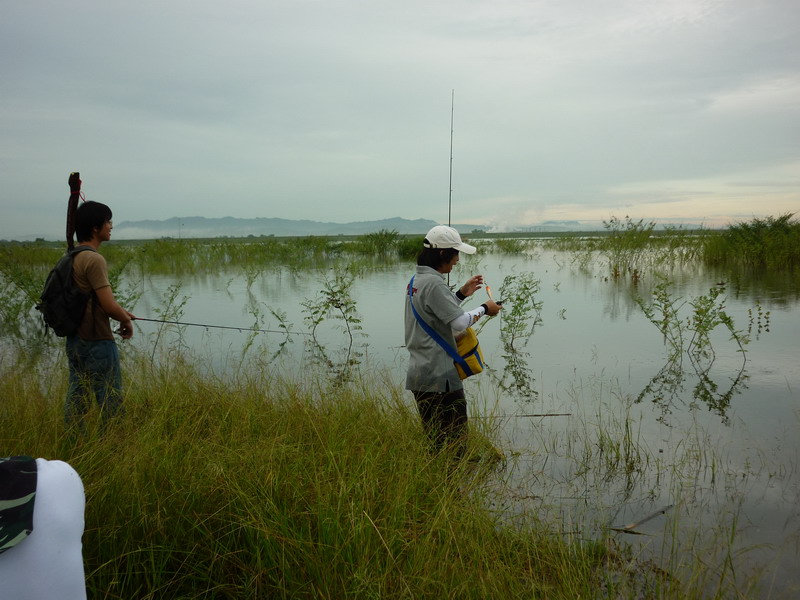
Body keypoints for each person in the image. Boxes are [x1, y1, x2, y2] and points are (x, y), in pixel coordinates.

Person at [404, 225, 502, 455]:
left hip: (421, 373)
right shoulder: (435, 283)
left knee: (435, 442)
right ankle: (452, 488)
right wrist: (485, 308)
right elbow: (458, 323)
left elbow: (436, 313)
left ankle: (439, 486)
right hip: (440, 376)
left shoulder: (417, 280)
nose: (457, 260)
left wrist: (460, 295)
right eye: (455, 253)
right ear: (442, 253)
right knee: (456, 443)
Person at [65, 201, 136, 426]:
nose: (111, 226)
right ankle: (115, 447)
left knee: (78, 399)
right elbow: (107, 305)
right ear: (96, 227)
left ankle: (74, 444)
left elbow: (92, 301)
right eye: (108, 221)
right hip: (97, 341)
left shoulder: (71, 257)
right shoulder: (94, 259)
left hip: (75, 340)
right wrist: (125, 319)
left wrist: (121, 312)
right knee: (110, 400)